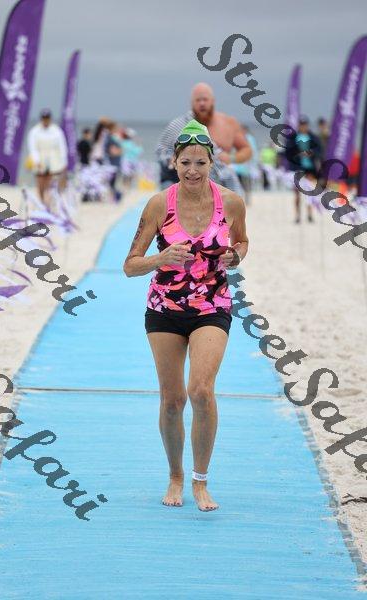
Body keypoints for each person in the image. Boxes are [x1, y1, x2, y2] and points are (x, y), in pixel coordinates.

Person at [123, 119, 248, 511]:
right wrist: (161, 258)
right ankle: (175, 475)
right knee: (173, 401)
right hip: (165, 309)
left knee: (201, 391)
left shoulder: (231, 202)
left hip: (212, 304)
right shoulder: (159, 204)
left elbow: (242, 241)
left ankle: (200, 480)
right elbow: (130, 265)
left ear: (212, 163)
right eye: (185, 163)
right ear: (173, 163)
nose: (193, 170)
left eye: (200, 162)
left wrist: (236, 256)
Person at [156, 82, 252, 193]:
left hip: (221, 185)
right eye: (198, 100)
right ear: (192, 103)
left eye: (205, 99)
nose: (202, 103)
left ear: (213, 101)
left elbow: (247, 150)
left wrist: (231, 158)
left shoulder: (228, 123)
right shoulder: (179, 125)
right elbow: (161, 150)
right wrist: (171, 159)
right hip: (188, 186)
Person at [284, 115, 322, 223]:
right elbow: (288, 152)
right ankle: (297, 216)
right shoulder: (293, 138)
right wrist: (299, 153)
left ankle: (309, 214)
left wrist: (311, 153)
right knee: (297, 193)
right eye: (301, 124)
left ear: (307, 125)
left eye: (305, 124)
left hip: (310, 168)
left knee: (309, 192)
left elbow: (319, 151)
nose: (303, 126)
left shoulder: (313, 137)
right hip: (297, 168)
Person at [27, 109, 68, 206]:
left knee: (50, 181)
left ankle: (48, 202)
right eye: (44, 118)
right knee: (40, 181)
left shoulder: (56, 130)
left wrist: (64, 161)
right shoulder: (35, 131)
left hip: (53, 158)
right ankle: (41, 202)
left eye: (47, 118)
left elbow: (62, 146)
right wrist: (36, 160)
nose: (45, 120)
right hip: (40, 158)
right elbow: (32, 147)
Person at [231, 124, 258, 204]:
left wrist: (253, 163)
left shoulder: (250, 139)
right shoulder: (237, 138)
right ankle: (239, 200)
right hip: (237, 166)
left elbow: (253, 152)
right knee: (237, 184)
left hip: (246, 166)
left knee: (246, 184)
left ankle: (247, 200)